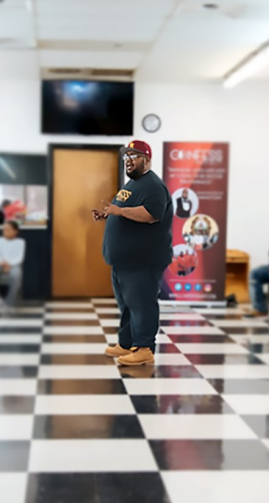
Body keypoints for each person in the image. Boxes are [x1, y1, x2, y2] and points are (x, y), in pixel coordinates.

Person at [92, 140, 172, 366]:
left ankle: (144, 347)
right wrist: (110, 214)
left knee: (142, 303)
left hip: (143, 260)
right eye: (127, 156)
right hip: (125, 261)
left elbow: (151, 214)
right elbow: (126, 212)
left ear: (147, 160)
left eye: (134, 156)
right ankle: (126, 344)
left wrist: (119, 210)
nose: (128, 160)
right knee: (127, 305)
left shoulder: (153, 185)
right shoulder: (133, 185)